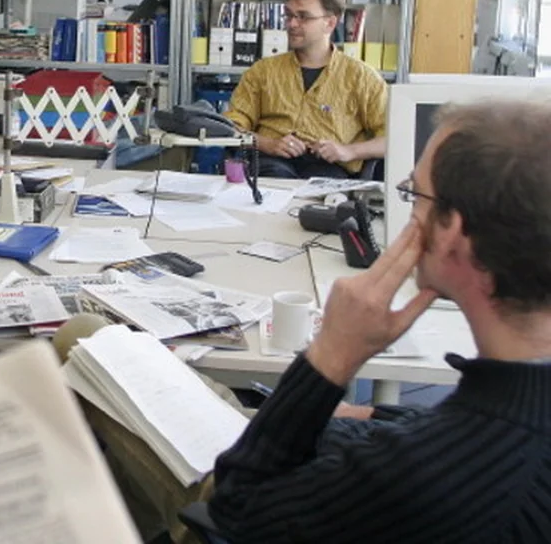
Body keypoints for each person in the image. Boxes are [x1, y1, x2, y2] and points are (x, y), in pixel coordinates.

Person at [208, 98, 551, 541]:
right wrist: (370, 414)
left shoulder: (429, 474)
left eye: (416, 194)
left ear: (451, 232)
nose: (408, 210)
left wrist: (331, 356)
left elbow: (237, 506)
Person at [224, 0, 387, 180]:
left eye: (303, 17)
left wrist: (348, 151)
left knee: (322, 186)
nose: (292, 24)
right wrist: (269, 144)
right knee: (275, 176)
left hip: (329, 169)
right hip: (271, 163)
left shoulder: (362, 77)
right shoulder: (262, 72)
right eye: (289, 15)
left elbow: (394, 138)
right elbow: (229, 128)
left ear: (330, 23)